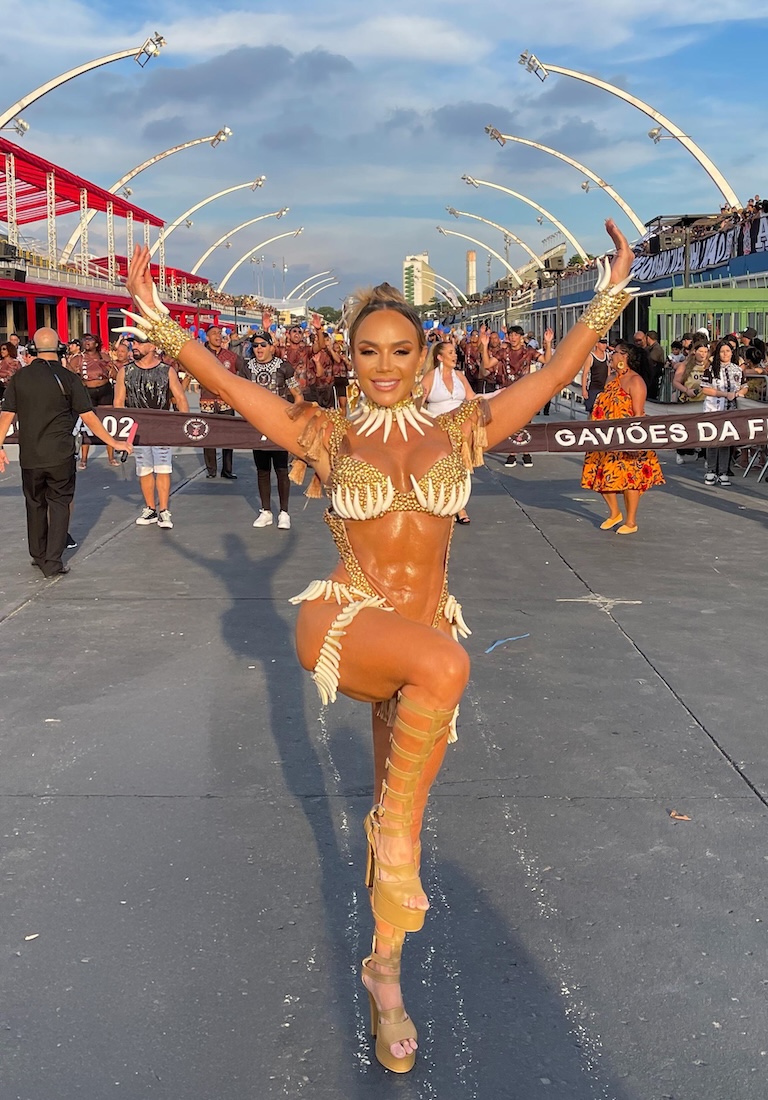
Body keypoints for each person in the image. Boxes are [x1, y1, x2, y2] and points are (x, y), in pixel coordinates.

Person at [122, 218, 635, 1073]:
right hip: (346, 620)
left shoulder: (467, 428)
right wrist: (167, 323)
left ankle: (384, 974)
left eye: (401, 351)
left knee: (413, 786)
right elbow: (220, 381)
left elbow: (553, 370)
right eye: (369, 352)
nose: (386, 366)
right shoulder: (323, 434)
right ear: (349, 356)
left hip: (421, 638)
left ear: (427, 356)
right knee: (445, 673)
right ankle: (394, 850)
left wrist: (612, 290)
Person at [0, 327, 132, 576]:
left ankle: (38, 555)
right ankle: (52, 561)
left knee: (34, 503)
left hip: (30, 455)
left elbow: (6, 416)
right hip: (60, 454)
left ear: (32, 349)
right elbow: (89, 417)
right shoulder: (69, 377)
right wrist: (114, 442)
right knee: (59, 503)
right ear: (60, 347)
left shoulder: (20, 377)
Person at [581, 341, 665, 534]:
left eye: (617, 352)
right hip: (604, 435)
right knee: (600, 474)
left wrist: (633, 440)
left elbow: (638, 413)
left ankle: (631, 521)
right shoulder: (610, 378)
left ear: (626, 356)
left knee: (630, 478)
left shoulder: (636, 381)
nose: (612, 355)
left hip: (627, 436)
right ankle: (614, 513)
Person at [113, 336, 189, 528]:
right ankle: (150, 509)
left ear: (153, 346)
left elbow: (180, 398)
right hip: (137, 428)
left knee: (163, 466)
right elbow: (118, 402)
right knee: (144, 468)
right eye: (133, 343)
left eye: (139, 342)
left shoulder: (167, 370)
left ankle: (163, 510)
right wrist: (121, 433)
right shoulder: (125, 371)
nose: (134, 346)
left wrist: (184, 425)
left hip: (162, 427)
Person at [239, 329, 302, 529]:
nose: (258, 348)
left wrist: (294, 418)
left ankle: (284, 512)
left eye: (262, 345)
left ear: (271, 347)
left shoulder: (283, 367)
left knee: (282, 468)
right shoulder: (247, 367)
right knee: (262, 468)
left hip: (279, 423)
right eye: (255, 345)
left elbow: (298, 395)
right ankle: (266, 511)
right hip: (256, 424)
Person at [422, 340, 476, 523]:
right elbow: (417, 403)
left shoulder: (460, 376)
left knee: (460, 469)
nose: (455, 356)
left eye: (455, 352)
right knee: (443, 469)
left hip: (460, 429)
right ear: (440, 357)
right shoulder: (430, 377)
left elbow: (472, 399)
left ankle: (459, 505)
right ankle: (451, 506)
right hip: (438, 429)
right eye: (451, 352)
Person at [700, 339, 748, 487]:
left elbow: (744, 386)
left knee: (726, 441)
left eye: (728, 351)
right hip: (714, 409)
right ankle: (711, 471)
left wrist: (740, 392)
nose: (725, 354)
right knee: (713, 440)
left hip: (731, 410)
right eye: (722, 351)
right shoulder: (711, 369)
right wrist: (723, 394)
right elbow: (705, 388)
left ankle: (723, 472)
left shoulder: (737, 370)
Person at [66, 333, 118, 467]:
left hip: (105, 390)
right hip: (87, 391)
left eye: (90, 340)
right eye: (85, 340)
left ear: (96, 343)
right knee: (86, 424)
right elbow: (68, 378)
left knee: (108, 423)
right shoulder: (77, 359)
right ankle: (84, 458)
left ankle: (111, 456)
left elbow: (116, 374)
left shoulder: (105, 356)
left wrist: (110, 369)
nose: (87, 342)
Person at [200, 325, 241, 480]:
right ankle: (211, 469)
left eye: (219, 333)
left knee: (228, 436)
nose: (218, 336)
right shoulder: (202, 356)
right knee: (207, 435)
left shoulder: (230, 356)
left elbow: (243, 370)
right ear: (207, 337)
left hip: (226, 401)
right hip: (207, 400)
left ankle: (227, 469)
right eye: (214, 334)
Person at [580, 337, 610, 413]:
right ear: (596, 344)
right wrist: (584, 390)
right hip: (594, 388)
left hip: (605, 388)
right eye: (602, 343)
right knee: (592, 410)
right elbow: (585, 374)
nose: (604, 345)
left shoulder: (607, 356)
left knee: (604, 411)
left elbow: (609, 373)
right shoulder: (590, 357)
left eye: (605, 343)